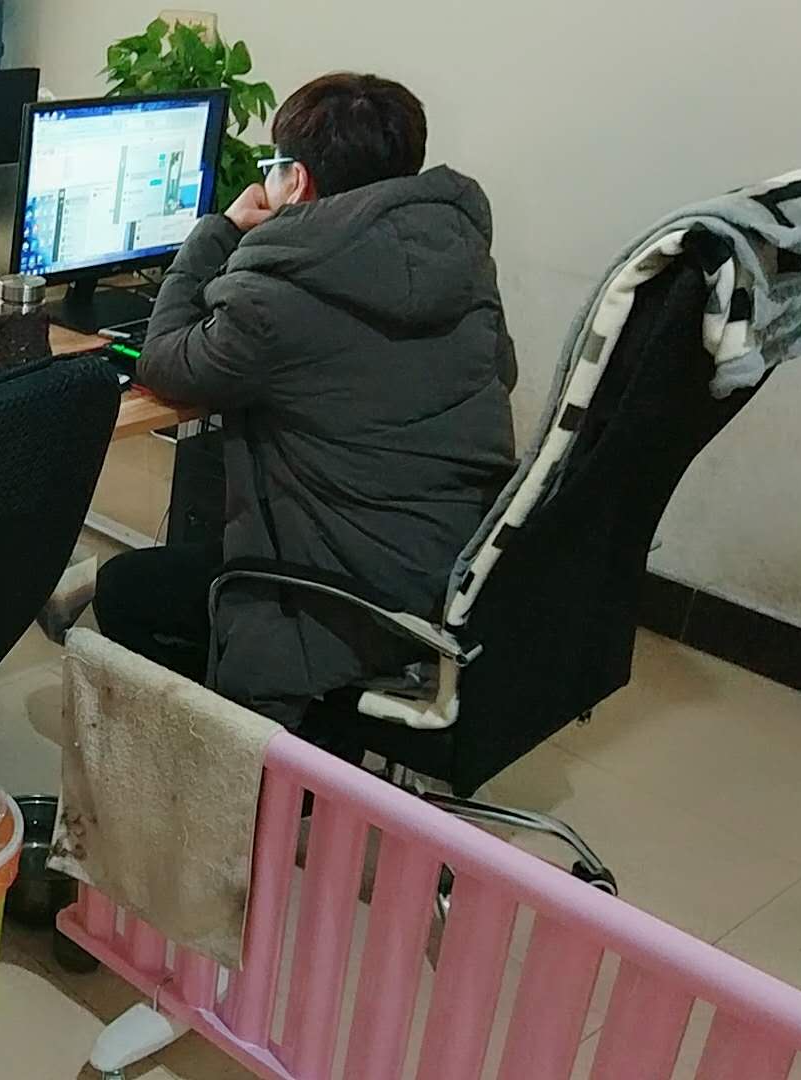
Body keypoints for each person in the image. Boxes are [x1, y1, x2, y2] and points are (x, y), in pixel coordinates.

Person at [93, 73, 518, 726]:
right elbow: (500, 372)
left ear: (298, 182)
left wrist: (218, 231)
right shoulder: (458, 253)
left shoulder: (280, 291)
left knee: (125, 590)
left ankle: (251, 749)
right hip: (454, 571)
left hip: (344, 596)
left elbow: (164, 361)